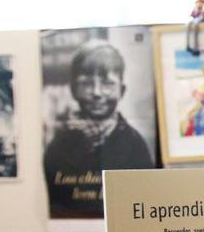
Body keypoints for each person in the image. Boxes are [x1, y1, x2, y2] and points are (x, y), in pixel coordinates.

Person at [43, 40, 153, 213]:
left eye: (107, 84)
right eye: (86, 83)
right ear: (73, 89)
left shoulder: (135, 145)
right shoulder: (59, 145)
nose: (96, 92)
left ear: (121, 90)